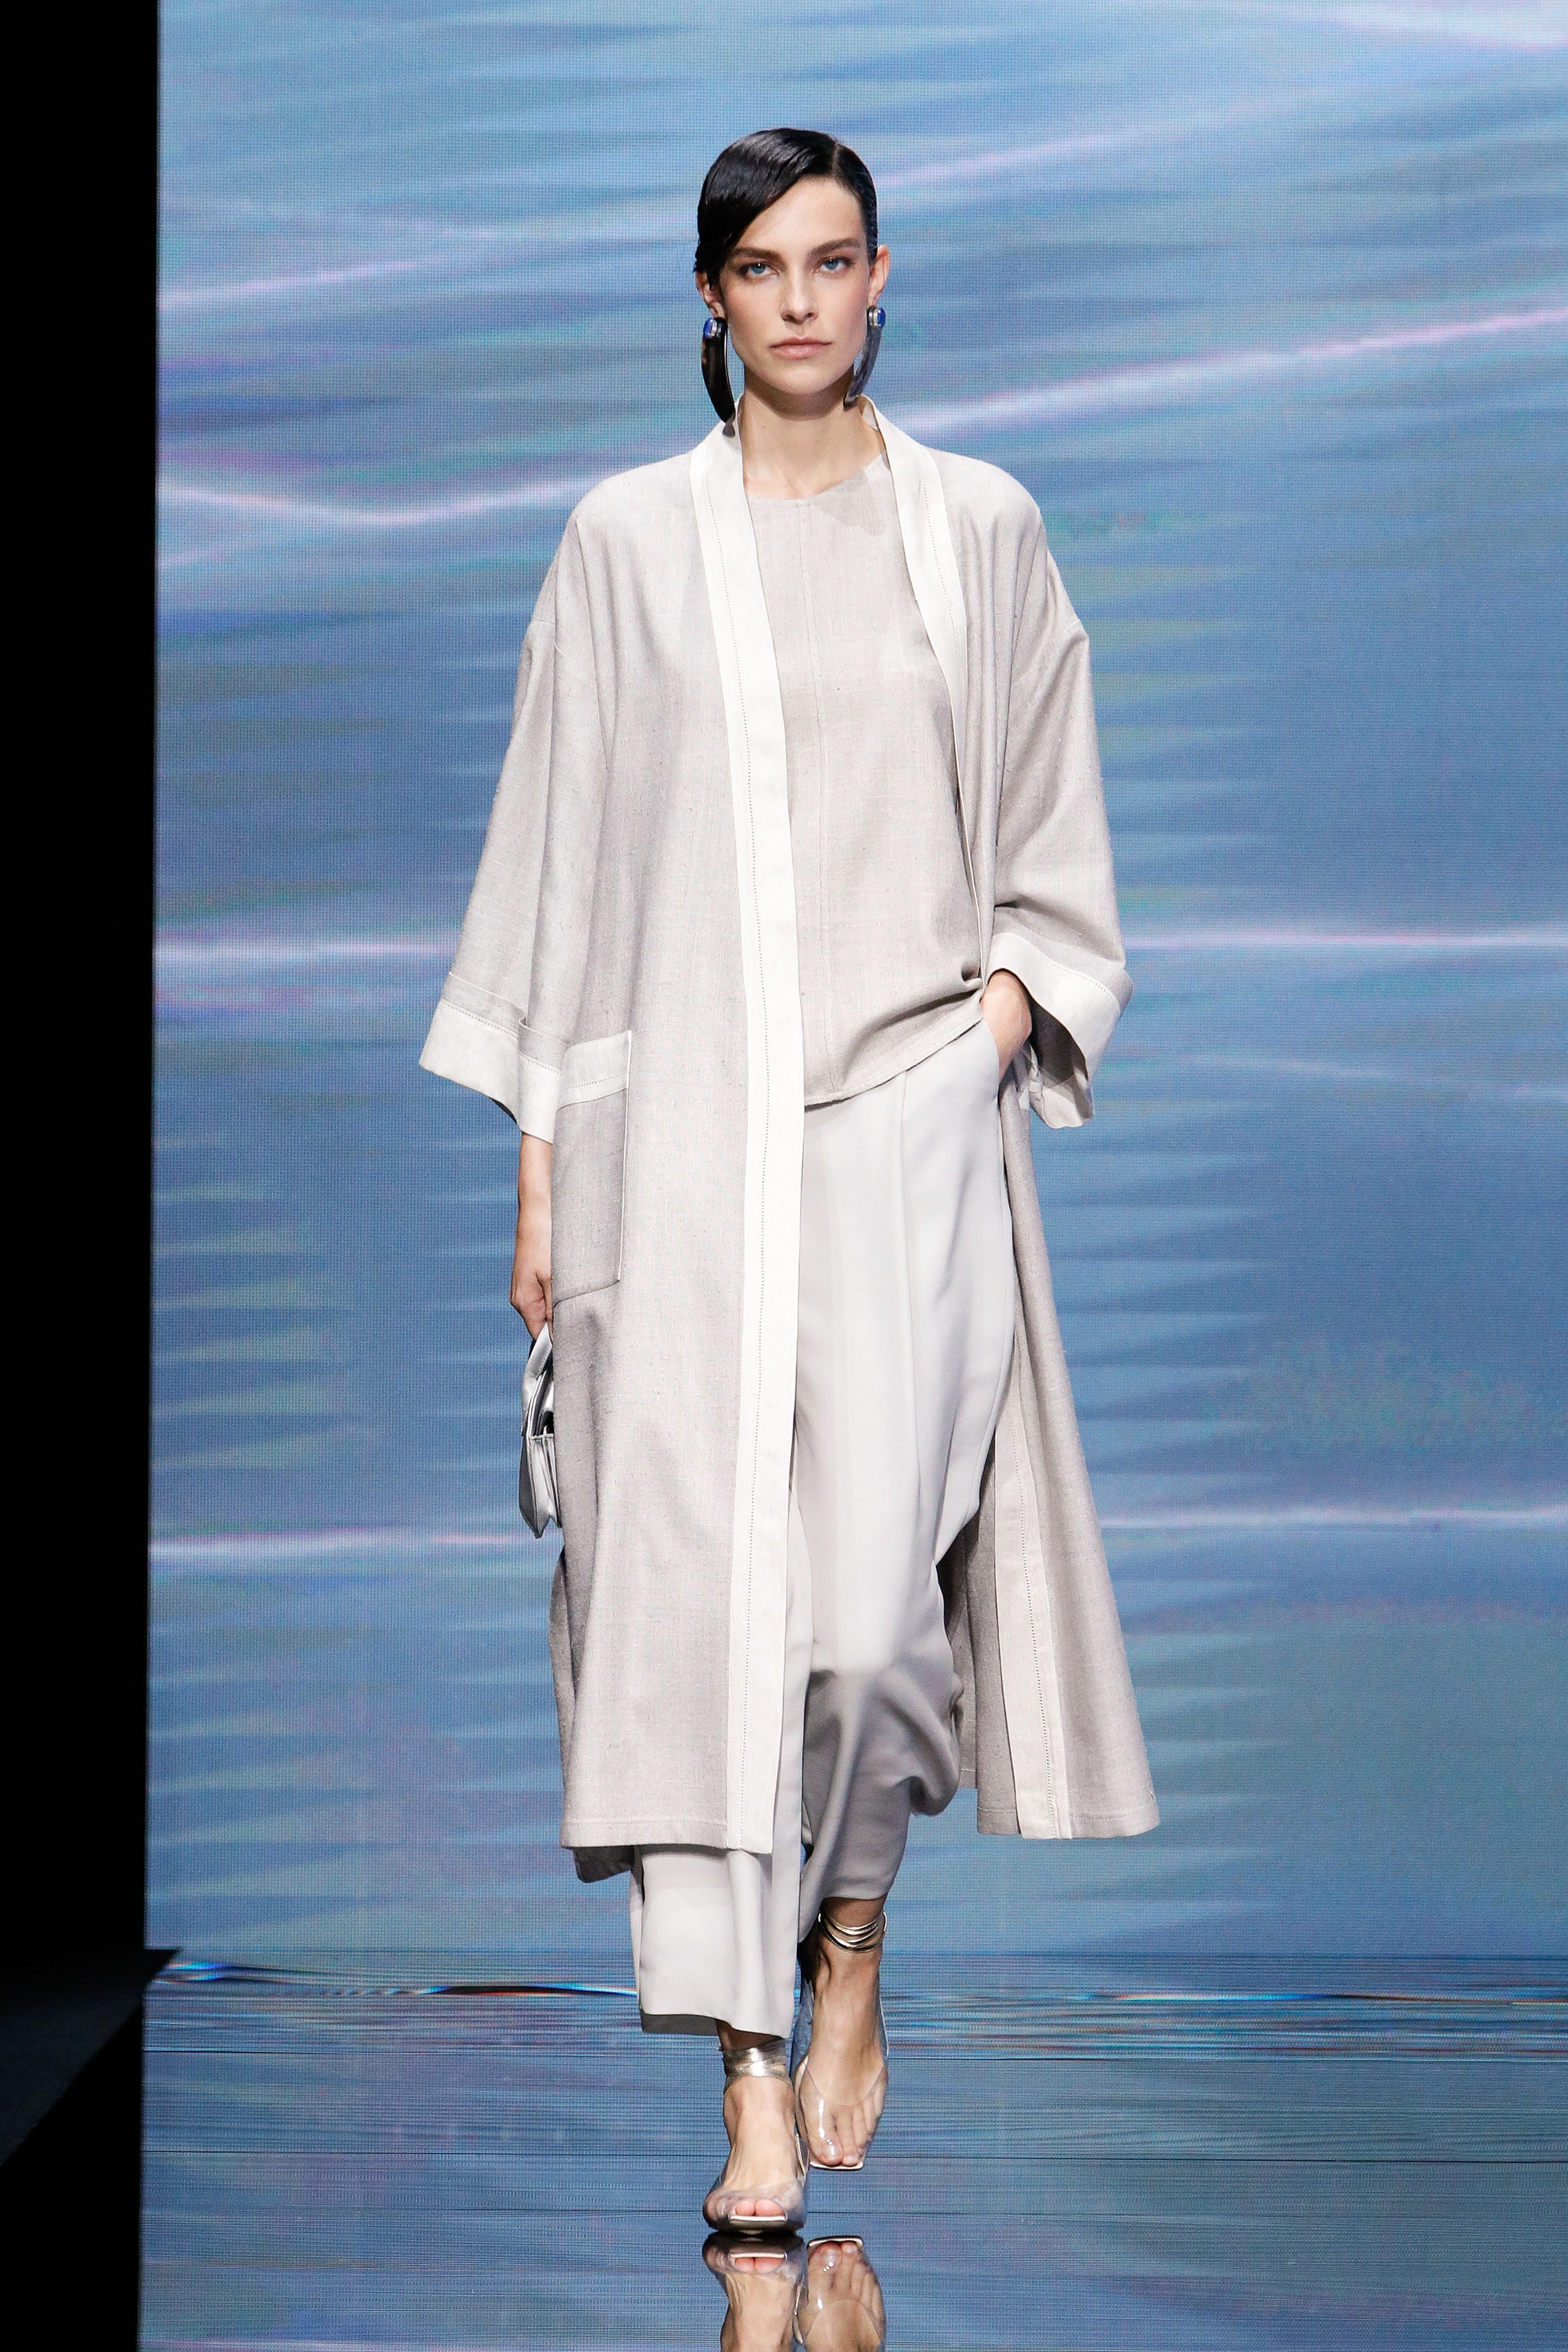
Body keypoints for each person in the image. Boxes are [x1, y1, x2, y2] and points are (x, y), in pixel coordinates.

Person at [422, 127, 1157, 2236]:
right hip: (677, 1150)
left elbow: (1051, 845)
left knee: (862, 1633)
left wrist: (984, 1042)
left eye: (833, 262)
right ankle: (743, 2075)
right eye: (762, 268)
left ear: (882, 276)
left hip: (905, 1135)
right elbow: (556, 867)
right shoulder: (625, 541)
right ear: (711, 298)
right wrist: (542, 1175)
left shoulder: (976, 527)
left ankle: (847, 1937)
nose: (802, 300)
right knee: (687, 1626)